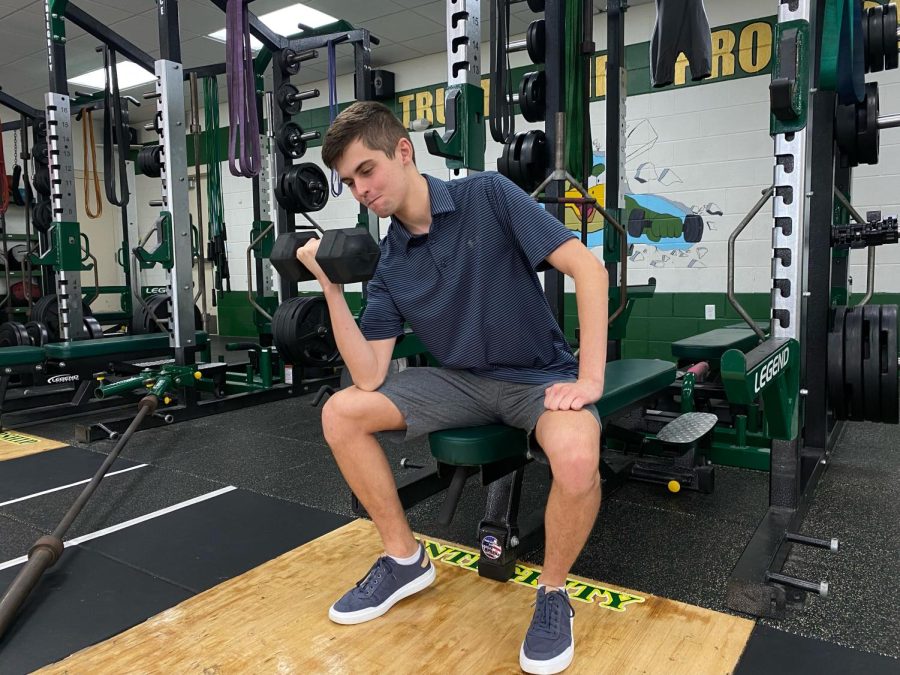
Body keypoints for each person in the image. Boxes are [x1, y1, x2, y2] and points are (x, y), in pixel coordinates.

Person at [297, 100, 608, 674]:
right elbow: (369, 374)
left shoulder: (488, 196)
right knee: (342, 412)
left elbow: (589, 270)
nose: (360, 189)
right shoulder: (389, 259)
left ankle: (553, 594)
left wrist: (590, 380)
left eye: (367, 170)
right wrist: (332, 290)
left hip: (537, 377)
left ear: (403, 151)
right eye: (349, 181)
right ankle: (404, 558)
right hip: (462, 382)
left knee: (575, 456)